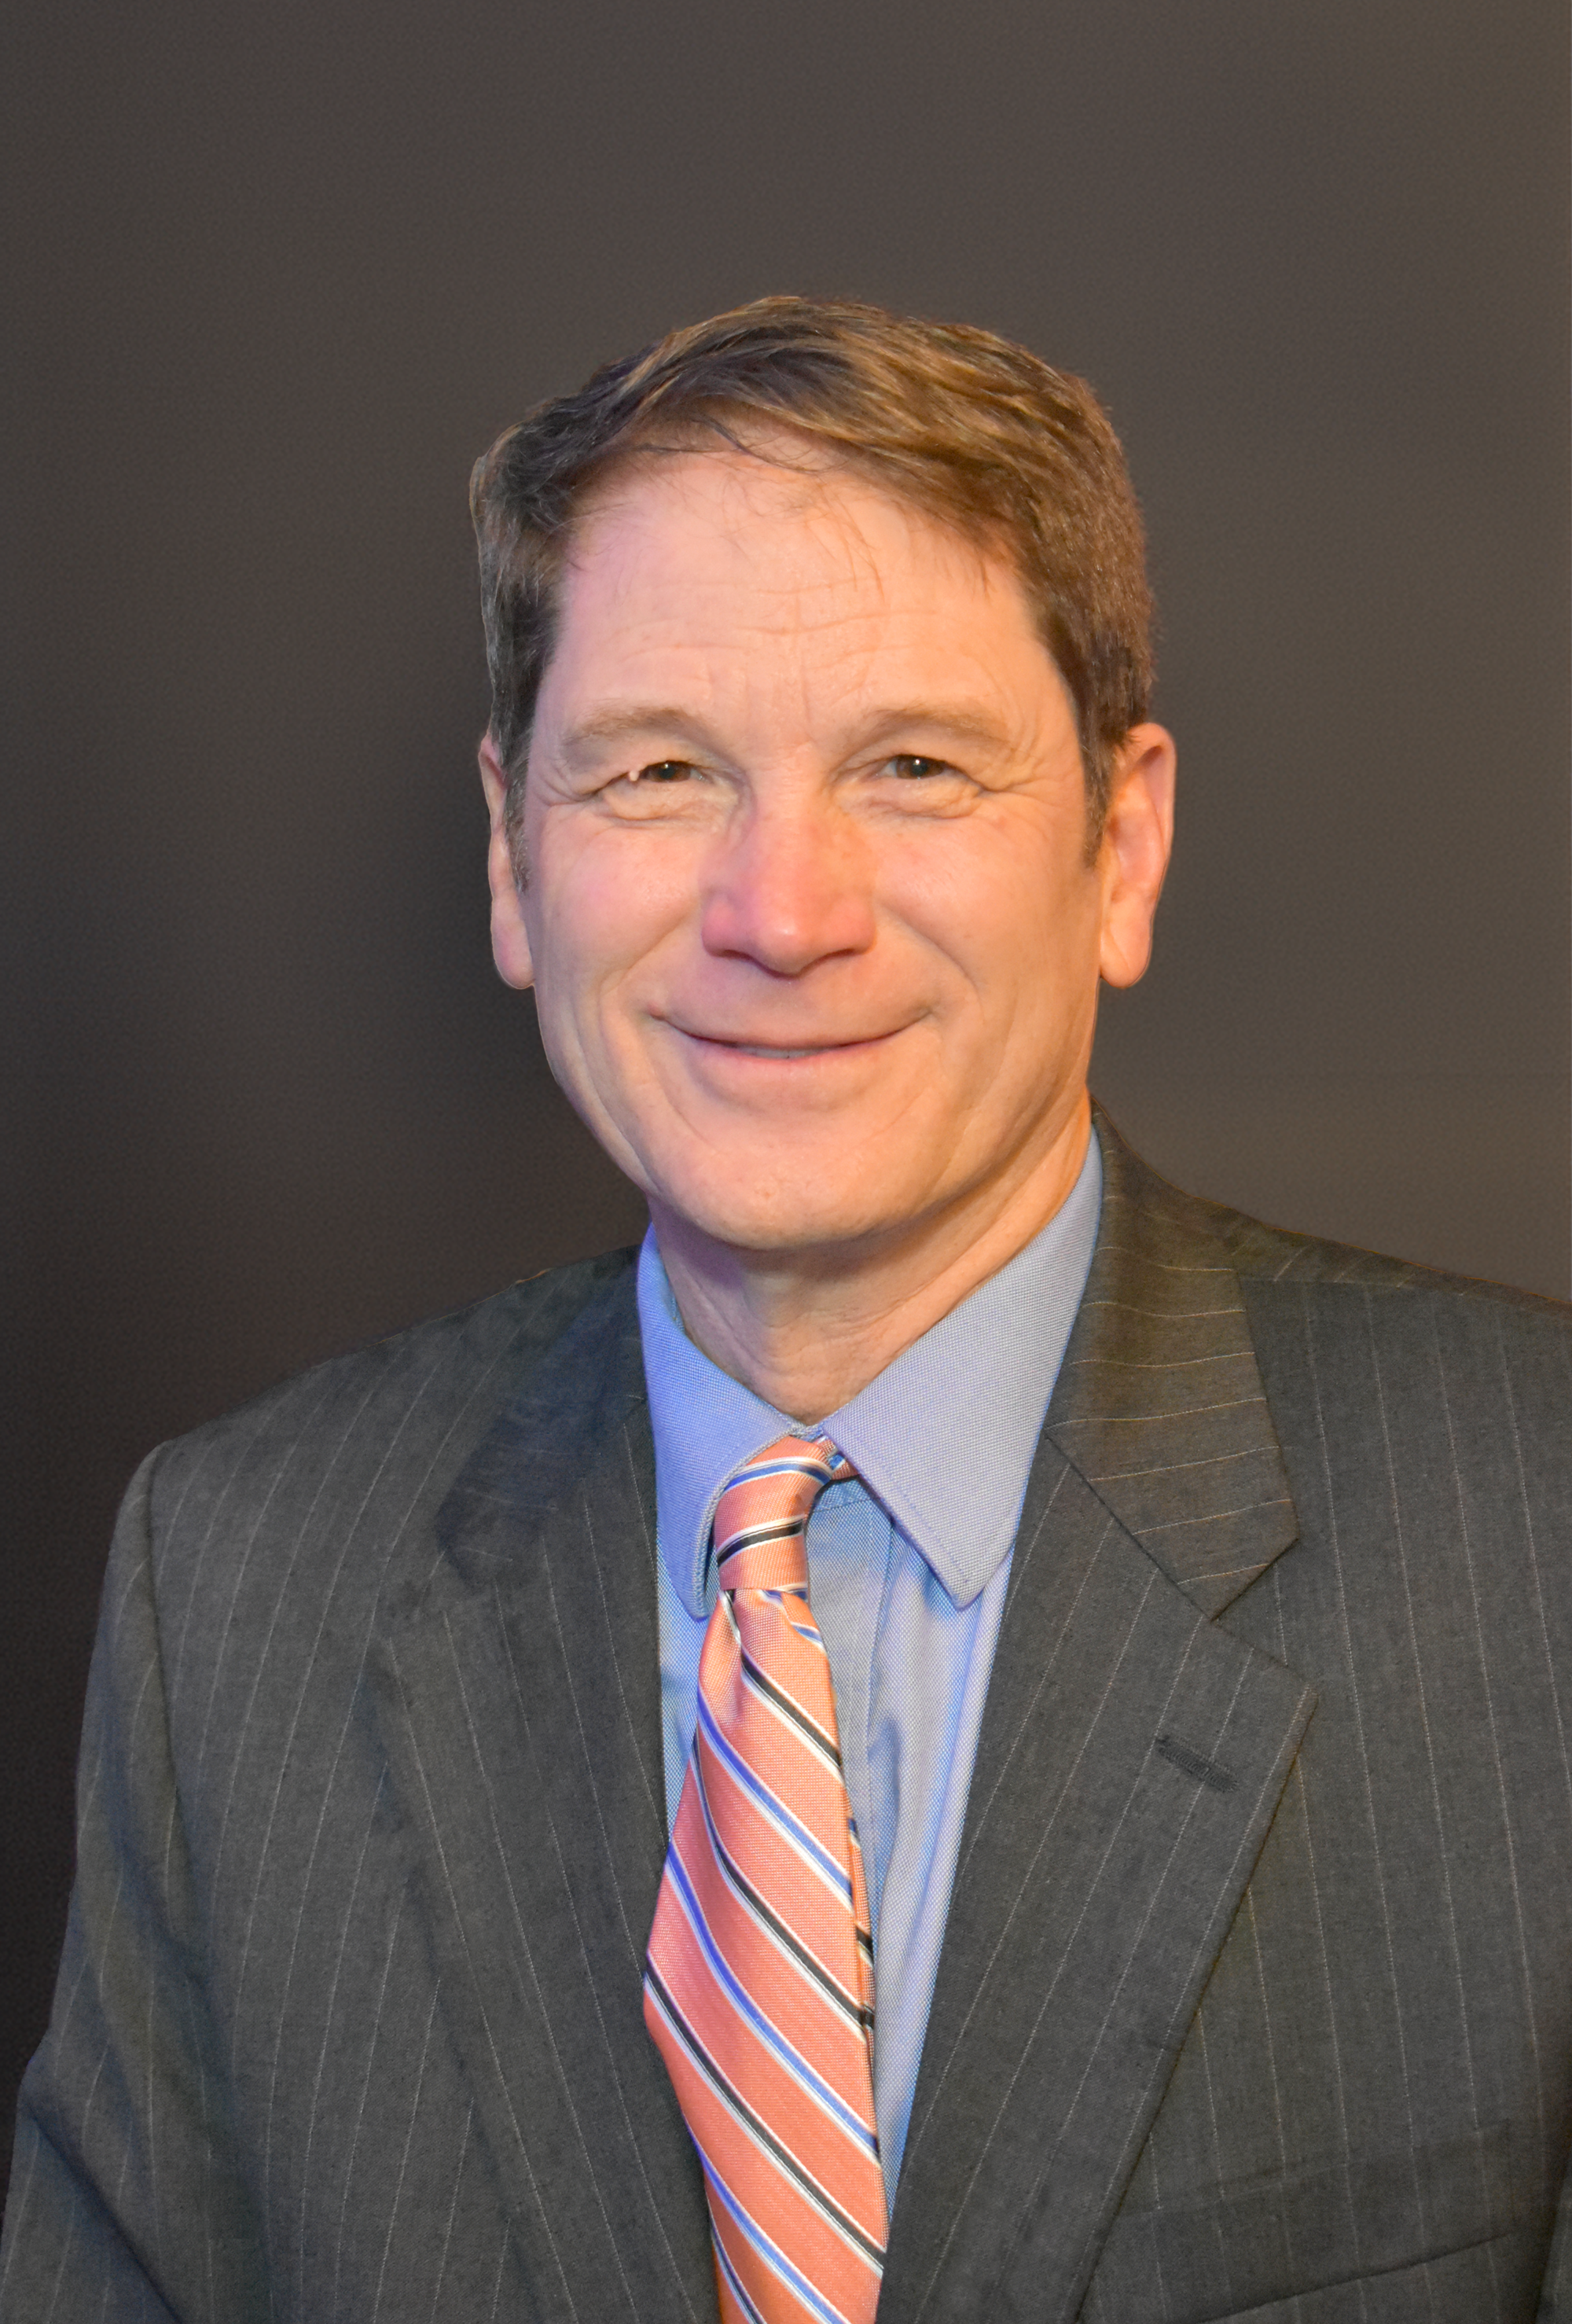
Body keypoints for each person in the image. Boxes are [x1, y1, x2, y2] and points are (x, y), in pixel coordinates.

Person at [2, 296, 1570, 2324]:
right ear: (511, 855)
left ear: (1125, 843)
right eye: (658, 771)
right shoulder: (241, 1594)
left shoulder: (1532, 1549)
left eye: (915, 767)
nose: (781, 909)